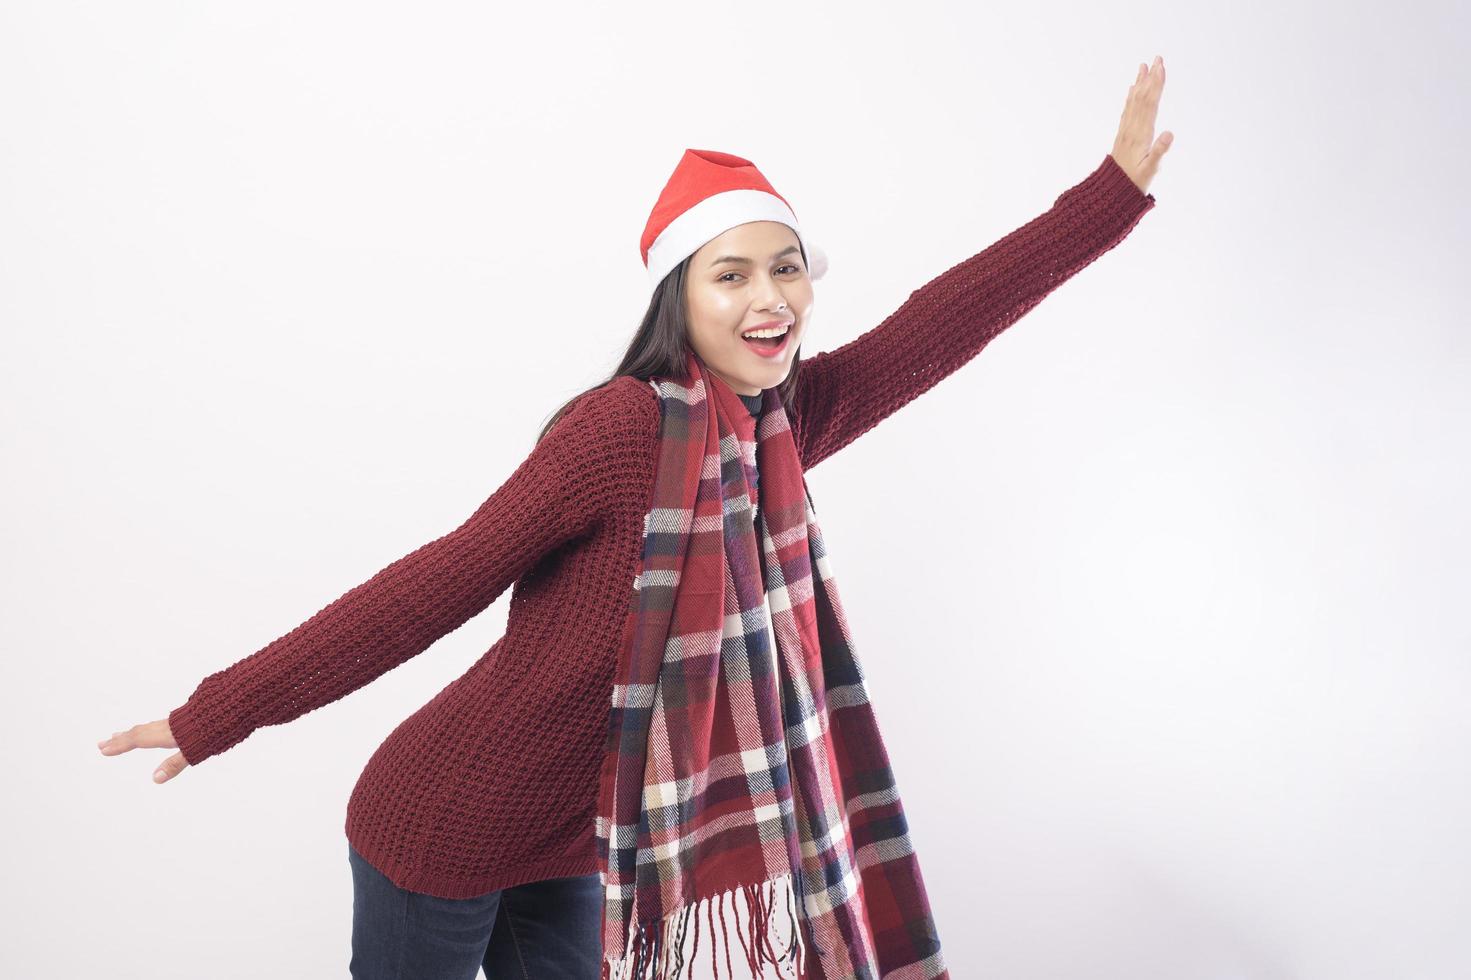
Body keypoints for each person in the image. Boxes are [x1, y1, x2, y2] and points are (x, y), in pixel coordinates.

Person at [98, 57, 1171, 980]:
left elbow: (942, 324)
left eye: (787, 268)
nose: (771, 298)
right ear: (680, 298)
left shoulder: (782, 427)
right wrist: (220, 709)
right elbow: (438, 580)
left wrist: (1106, 197)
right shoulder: (620, 434)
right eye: (733, 273)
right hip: (440, 823)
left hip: (578, 839)